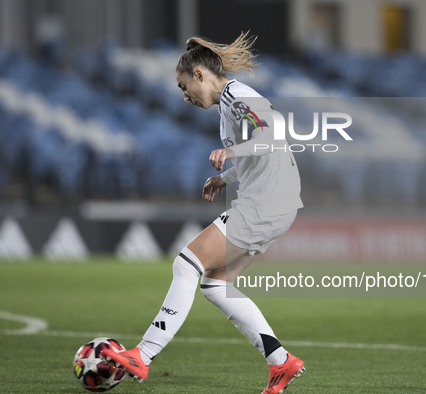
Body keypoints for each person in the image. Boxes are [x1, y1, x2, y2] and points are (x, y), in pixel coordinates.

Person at [101, 32, 305, 394]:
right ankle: (281, 362)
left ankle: (143, 356)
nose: (184, 97)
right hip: (276, 202)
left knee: (186, 264)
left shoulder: (238, 96)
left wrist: (232, 153)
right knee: (216, 285)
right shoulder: (229, 106)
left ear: (199, 74)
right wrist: (225, 177)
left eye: (183, 86)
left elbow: (273, 135)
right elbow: (258, 151)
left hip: (266, 202)